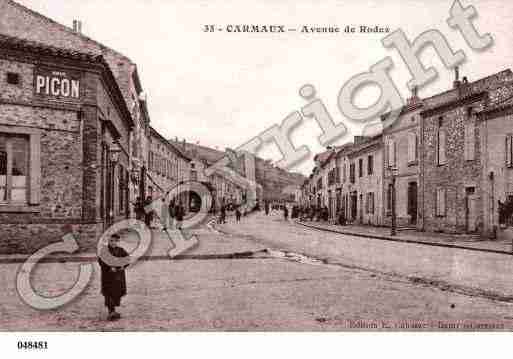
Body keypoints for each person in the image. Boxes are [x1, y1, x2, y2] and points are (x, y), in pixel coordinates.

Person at [98, 234, 130, 321]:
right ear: (108, 241)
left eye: (115, 241)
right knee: (108, 293)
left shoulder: (121, 250)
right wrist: (109, 267)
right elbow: (101, 261)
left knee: (117, 293)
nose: (113, 243)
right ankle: (111, 311)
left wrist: (123, 265)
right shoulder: (104, 251)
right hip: (108, 276)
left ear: (117, 241)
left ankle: (114, 311)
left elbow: (127, 259)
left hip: (118, 276)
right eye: (111, 241)